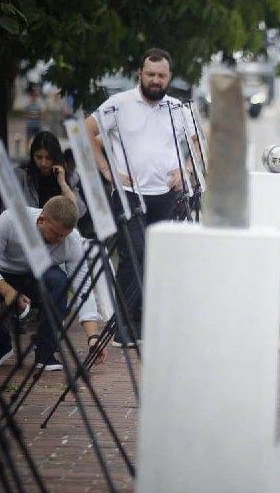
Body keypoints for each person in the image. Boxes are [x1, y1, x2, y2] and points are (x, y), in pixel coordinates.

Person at [85, 48, 196, 347]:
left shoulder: (177, 108)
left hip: (166, 196)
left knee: (156, 259)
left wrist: (185, 171)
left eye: (161, 75)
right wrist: (107, 169)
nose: (156, 80)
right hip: (129, 194)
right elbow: (85, 131)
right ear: (140, 74)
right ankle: (123, 326)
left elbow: (198, 142)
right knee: (134, 254)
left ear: (169, 77)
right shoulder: (118, 105)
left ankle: (145, 322)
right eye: (151, 75)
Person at [0, 197, 106, 371]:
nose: (59, 240)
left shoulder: (72, 241)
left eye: (63, 236)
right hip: (3, 275)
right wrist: (8, 292)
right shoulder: (11, 220)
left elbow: (82, 288)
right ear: (41, 220)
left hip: (40, 278)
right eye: (56, 234)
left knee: (59, 281)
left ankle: (45, 350)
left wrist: (93, 337)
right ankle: (1, 344)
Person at [15, 131, 86, 218]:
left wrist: (63, 184)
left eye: (48, 158)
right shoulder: (22, 177)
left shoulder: (68, 177)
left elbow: (79, 212)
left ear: (55, 157)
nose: (43, 163)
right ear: (32, 156)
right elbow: (9, 211)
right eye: (39, 157)